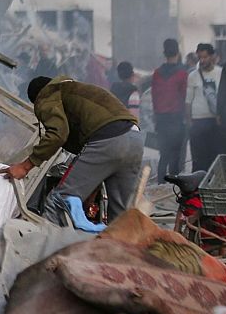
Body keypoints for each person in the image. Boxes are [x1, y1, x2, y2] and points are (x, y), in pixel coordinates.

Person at [9, 75, 142, 221]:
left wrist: (25, 166)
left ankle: (44, 242)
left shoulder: (47, 96)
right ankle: (116, 243)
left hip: (108, 140)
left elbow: (57, 135)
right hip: (135, 139)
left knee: (61, 202)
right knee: (118, 218)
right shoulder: (77, 90)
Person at [150, 39, 189, 178]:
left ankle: (160, 181)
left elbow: (154, 97)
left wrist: (156, 116)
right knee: (176, 153)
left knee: (164, 153)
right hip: (177, 118)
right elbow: (185, 97)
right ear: (178, 53)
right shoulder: (182, 74)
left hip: (161, 119)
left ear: (164, 53)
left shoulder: (156, 74)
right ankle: (174, 183)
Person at [185, 43, 225, 171]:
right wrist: (189, 122)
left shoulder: (221, 73)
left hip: (215, 121)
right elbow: (188, 101)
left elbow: (225, 96)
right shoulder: (192, 76)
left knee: (214, 158)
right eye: (200, 58)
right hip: (198, 122)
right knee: (198, 160)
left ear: (212, 56)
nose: (202, 60)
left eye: (205, 57)